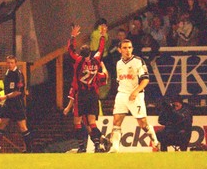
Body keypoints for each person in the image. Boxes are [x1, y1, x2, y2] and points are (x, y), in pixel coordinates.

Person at [107, 39, 160, 153]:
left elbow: (145, 80)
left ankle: (155, 141)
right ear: (119, 50)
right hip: (122, 94)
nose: (128, 50)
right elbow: (119, 80)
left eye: (130, 47)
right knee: (116, 122)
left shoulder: (138, 61)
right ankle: (115, 148)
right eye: (125, 48)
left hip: (136, 95)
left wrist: (135, 91)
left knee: (143, 124)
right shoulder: (118, 63)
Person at [67, 24, 108, 153]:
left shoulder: (79, 61)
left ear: (81, 53)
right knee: (92, 122)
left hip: (82, 94)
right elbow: (101, 49)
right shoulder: (96, 61)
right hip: (93, 95)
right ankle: (97, 146)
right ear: (90, 53)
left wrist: (72, 37)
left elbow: (70, 50)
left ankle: (82, 147)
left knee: (77, 122)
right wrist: (102, 36)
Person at [0, 55, 33, 153]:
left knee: (22, 127)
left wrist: (5, 97)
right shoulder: (7, 73)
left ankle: (29, 150)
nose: (10, 64)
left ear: (15, 63)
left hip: (17, 103)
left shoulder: (18, 74)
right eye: (8, 63)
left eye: (12, 63)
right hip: (8, 104)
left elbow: (18, 91)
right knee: (0, 125)